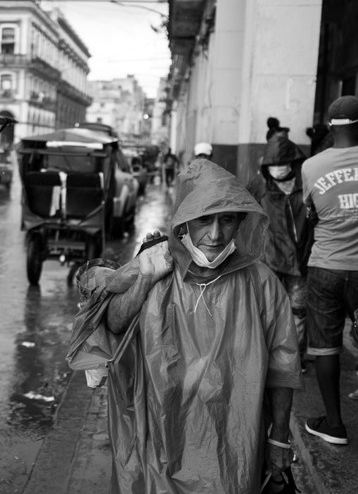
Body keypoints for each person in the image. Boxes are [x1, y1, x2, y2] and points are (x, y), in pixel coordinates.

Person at [74, 159, 300, 492]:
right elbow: (111, 326)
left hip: (232, 444)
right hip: (162, 438)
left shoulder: (261, 284)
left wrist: (279, 439)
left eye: (227, 220)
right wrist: (143, 281)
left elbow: (283, 365)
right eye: (204, 220)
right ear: (184, 221)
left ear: (240, 222)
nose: (215, 234)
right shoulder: (156, 270)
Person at [301, 95, 358, 445]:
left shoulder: (312, 167)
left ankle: (334, 425)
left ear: (330, 127)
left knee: (325, 346)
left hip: (326, 267)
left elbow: (309, 216)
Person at [247, 135, 311, 367]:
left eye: (282, 164)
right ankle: (268, 357)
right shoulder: (259, 185)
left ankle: (295, 360)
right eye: (272, 165)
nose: (277, 169)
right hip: (270, 260)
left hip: (301, 262)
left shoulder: (307, 183)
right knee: (269, 311)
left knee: (298, 313)